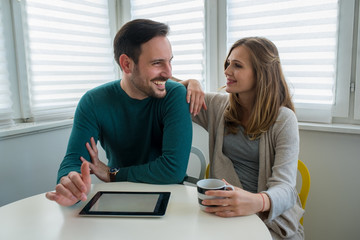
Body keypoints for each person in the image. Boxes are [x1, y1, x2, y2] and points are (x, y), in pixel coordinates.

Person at [45, 19, 196, 207]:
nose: (168, 72)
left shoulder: (174, 95)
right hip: (118, 196)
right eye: (157, 63)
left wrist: (111, 173)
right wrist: (71, 182)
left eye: (169, 61)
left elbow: (173, 170)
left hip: (170, 197)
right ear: (126, 64)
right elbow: (75, 160)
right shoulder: (93, 101)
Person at [181, 37, 304, 239]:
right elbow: (164, 86)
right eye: (228, 64)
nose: (227, 71)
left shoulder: (284, 119)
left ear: (261, 74)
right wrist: (191, 83)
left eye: (237, 65)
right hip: (226, 217)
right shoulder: (218, 107)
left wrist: (258, 202)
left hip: (269, 221)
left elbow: (286, 188)